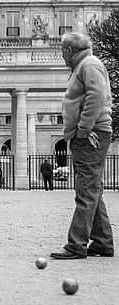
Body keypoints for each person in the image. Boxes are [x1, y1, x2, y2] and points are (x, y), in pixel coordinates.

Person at [50, 32, 114, 260]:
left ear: (69, 51)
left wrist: (85, 128)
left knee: (85, 190)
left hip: (91, 134)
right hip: (87, 134)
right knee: (92, 188)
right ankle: (103, 243)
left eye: (62, 51)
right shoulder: (85, 66)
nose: (61, 56)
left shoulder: (90, 64)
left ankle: (77, 244)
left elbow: (96, 96)